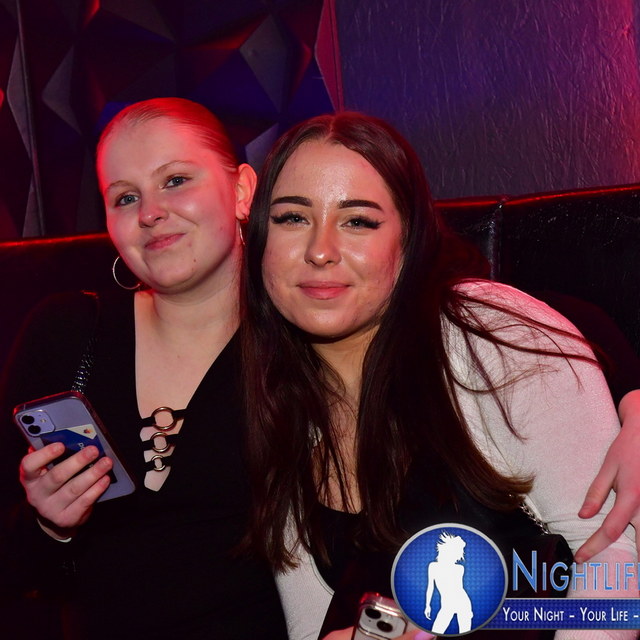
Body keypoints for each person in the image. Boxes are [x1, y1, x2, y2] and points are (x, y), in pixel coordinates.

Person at [240, 111, 638, 639]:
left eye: (358, 221)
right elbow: (312, 614)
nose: (319, 250)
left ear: (408, 241)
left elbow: (609, 559)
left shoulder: (489, 336)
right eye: (292, 218)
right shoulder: (274, 403)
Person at [0, 98, 287, 639]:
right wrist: (49, 525)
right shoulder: (65, 334)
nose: (150, 212)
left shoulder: (304, 342)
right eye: (125, 197)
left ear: (242, 191)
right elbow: (18, 572)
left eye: (175, 180)